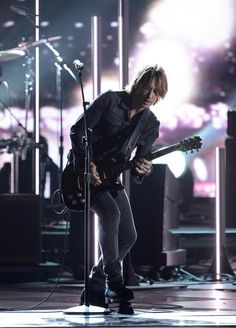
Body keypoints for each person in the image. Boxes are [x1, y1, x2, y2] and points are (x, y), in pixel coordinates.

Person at [68, 64, 168, 309]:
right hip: (82, 173)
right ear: (138, 83)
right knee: (110, 215)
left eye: (156, 92)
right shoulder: (110, 101)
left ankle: (95, 282)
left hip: (111, 178)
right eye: (147, 88)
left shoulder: (150, 123)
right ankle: (114, 282)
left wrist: (144, 169)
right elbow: (76, 130)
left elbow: (140, 165)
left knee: (130, 235)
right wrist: (88, 165)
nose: (149, 95)